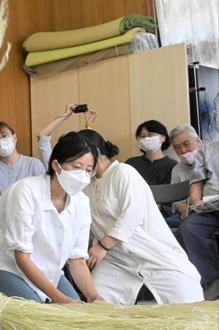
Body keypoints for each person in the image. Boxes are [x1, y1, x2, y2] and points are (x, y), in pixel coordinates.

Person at [0, 133, 103, 303]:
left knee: (78, 315)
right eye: (76, 167)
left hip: (44, 268)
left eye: (88, 170)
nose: (82, 176)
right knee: (39, 313)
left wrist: (93, 297)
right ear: (56, 165)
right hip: (1, 265)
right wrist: (60, 299)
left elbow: (77, 259)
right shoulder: (26, 191)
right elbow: (21, 257)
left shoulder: (82, 202)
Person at [81, 130, 203, 304]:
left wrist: (102, 245)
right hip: (115, 261)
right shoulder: (87, 185)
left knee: (189, 303)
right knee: (98, 305)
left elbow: (133, 213)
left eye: (78, 159)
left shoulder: (123, 172)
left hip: (153, 254)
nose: (77, 165)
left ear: (93, 151)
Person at [176, 140, 219, 300]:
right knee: (189, 228)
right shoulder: (206, 151)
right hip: (211, 206)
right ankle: (211, 281)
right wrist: (195, 199)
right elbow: (197, 180)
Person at [0, 122, 45, 214]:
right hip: (0, 221)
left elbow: (43, 197)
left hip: (31, 218)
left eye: (4, 136)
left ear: (15, 138)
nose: (1, 141)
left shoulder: (34, 165)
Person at [36, 103, 98, 167]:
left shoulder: (85, 167)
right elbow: (42, 136)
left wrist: (89, 126)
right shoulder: (54, 166)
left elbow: (89, 148)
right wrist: (65, 115)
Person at [166, 124, 202, 228]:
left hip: (213, 210)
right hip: (190, 213)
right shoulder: (177, 170)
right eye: (177, 147)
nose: (183, 150)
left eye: (186, 144)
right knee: (160, 226)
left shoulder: (213, 159)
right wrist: (187, 212)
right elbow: (177, 202)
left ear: (198, 141)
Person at [125, 120, 178, 186]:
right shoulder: (131, 164)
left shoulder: (173, 165)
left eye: (150, 135)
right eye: (142, 136)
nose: (146, 138)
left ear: (163, 138)